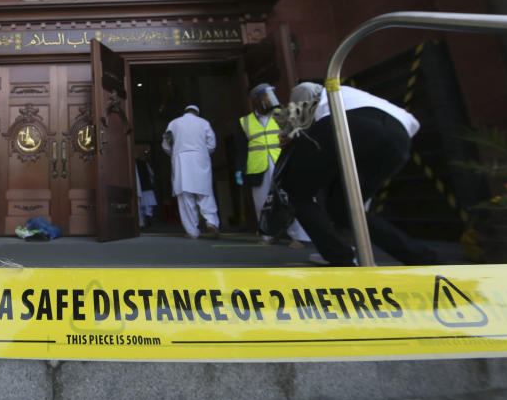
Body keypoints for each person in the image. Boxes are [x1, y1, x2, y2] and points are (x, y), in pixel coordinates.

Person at [276, 81, 440, 266]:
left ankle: (341, 257)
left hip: (346, 124)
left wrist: (288, 132)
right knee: (347, 210)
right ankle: (423, 259)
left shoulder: (319, 90)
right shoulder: (359, 96)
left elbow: (303, 90)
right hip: (398, 138)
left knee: (295, 192)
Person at [234, 83, 309, 248]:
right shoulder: (245, 121)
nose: (270, 99)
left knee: (290, 198)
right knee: (262, 202)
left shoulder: (282, 114)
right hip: (258, 166)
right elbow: (241, 149)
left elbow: (297, 136)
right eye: (266, 96)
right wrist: (239, 168)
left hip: (282, 162)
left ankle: (299, 237)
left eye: (271, 95)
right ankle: (269, 234)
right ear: (256, 100)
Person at [161, 105, 220, 239]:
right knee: (205, 193)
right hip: (200, 159)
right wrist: (203, 152)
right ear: (197, 113)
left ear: (185, 112)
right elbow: (212, 144)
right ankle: (211, 222)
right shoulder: (204, 122)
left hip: (181, 161)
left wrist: (174, 153)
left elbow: (166, 144)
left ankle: (192, 231)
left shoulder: (173, 123)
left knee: (185, 196)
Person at [135, 146, 157, 228]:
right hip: (147, 187)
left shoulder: (131, 165)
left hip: (140, 187)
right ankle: (148, 220)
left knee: (140, 206)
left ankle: (142, 222)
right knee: (148, 207)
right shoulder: (145, 164)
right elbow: (151, 174)